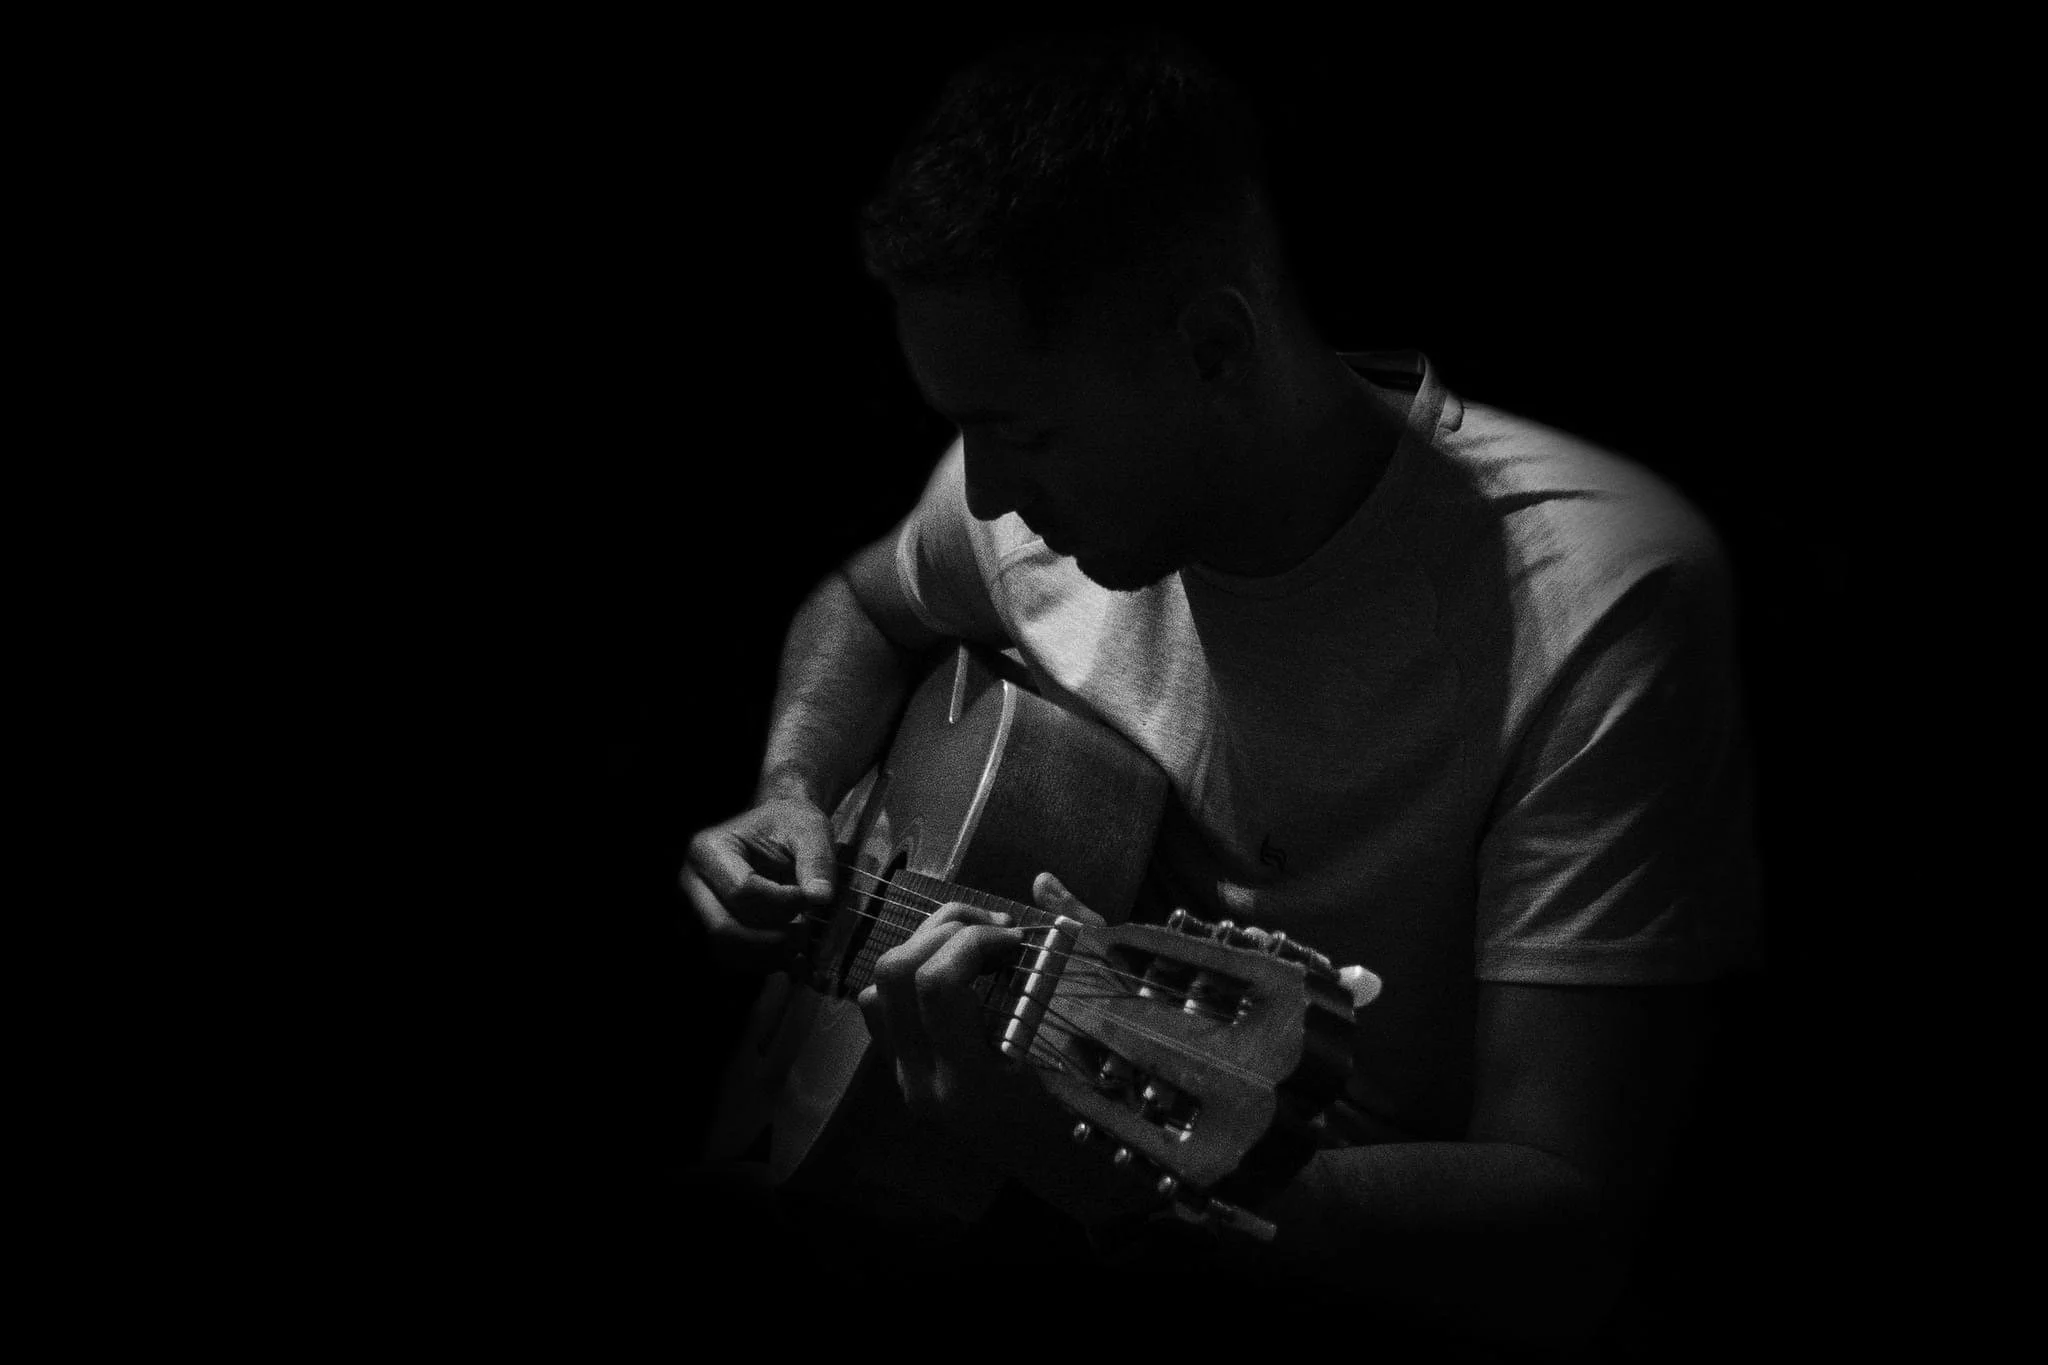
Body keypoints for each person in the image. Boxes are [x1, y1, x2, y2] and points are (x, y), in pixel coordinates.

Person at [682, 28, 1758, 1354]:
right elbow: (858, 604)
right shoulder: (1028, 501)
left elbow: (1565, 1212)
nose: (989, 492)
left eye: (1022, 430)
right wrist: (794, 790)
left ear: (1211, 350)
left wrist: (1092, 1172)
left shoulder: (1598, 603)